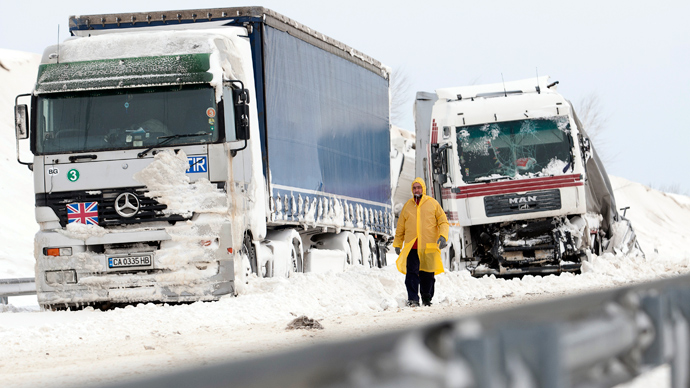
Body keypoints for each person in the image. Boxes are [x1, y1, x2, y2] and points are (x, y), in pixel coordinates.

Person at [392, 177, 449, 307]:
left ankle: (427, 297)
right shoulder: (407, 206)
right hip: (412, 246)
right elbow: (400, 227)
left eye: (419, 187)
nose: (416, 190)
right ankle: (413, 298)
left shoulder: (433, 204)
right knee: (411, 273)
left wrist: (443, 236)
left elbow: (443, 221)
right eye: (414, 187)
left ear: (423, 188)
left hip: (428, 246)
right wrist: (397, 243)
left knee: (427, 274)